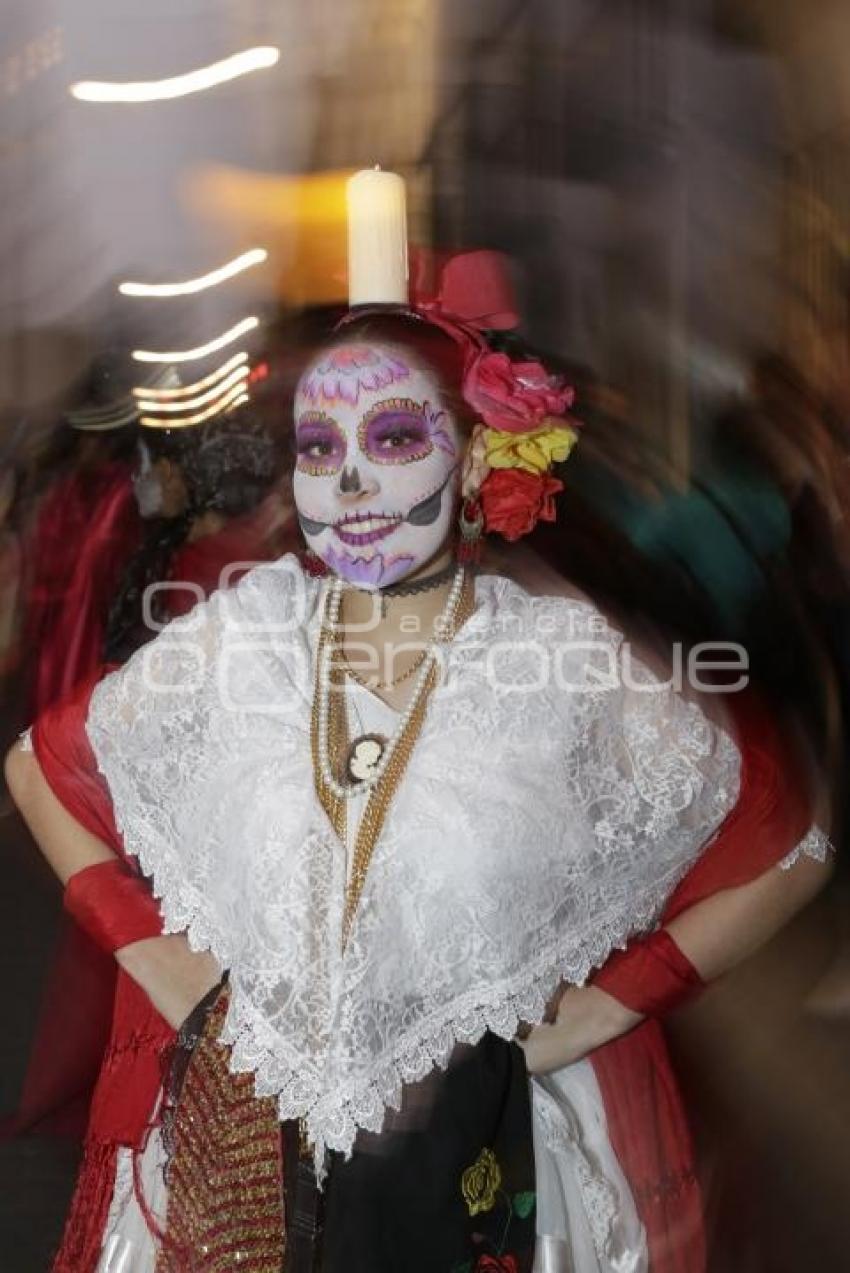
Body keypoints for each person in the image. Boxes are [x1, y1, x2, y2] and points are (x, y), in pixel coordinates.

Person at [5, 261, 832, 1273]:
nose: (348, 481)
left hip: (486, 1165)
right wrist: (161, 960)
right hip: (243, 1166)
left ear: (480, 460)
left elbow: (788, 845)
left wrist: (603, 1008)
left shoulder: (555, 662)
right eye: (319, 448)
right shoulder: (244, 638)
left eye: (393, 439)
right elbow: (43, 772)